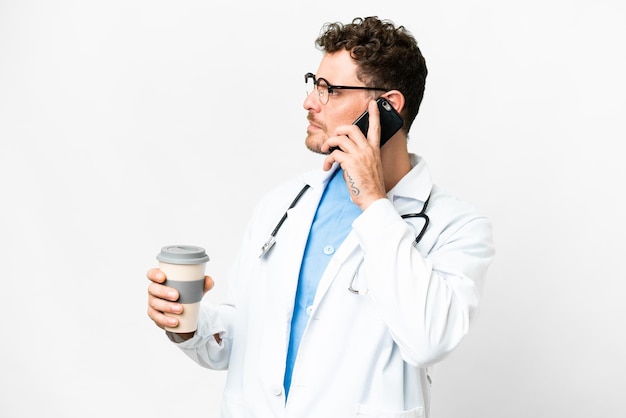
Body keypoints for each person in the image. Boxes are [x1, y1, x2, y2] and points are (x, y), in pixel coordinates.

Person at [147, 16, 494, 418]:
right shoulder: (283, 204)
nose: (310, 102)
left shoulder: (458, 227)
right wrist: (189, 325)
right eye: (314, 83)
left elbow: (429, 339)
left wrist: (374, 202)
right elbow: (244, 332)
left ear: (389, 107)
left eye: (329, 90)